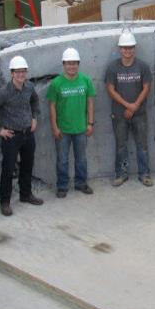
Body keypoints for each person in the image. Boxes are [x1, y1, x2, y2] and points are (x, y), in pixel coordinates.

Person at [0, 55, 44, 216]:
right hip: (11, 137)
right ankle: (5, 202)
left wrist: (34, 118)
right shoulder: (4, 92)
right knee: (8, 170)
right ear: (12, 73)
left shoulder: (29, 87)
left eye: (23, 72)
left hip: (27, 133)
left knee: (27, 165)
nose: (21, 75)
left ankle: (26, 194)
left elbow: (35, 102)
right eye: (18, 72)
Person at [105, 32, 153, 187]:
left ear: (134, 48)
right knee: (121, 146)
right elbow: (111, 90)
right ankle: (121, 174)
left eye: (130, 48)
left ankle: (144, 174)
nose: (128, 51)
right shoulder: (113, 67)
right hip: (119, 115)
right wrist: (128, 106)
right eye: (125, 48)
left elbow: (146, 88)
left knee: (142, 146)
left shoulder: (143, 66)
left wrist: (134, 107)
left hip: (139, 114)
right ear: (120, 49)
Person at [47, 47, 96, 198]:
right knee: (62, 160)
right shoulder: (56, 84)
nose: (71, 66)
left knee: (81, 159)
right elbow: (52, 106)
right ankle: (62, 186)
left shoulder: (86, 80)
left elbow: (90, 102)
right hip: (63, 130)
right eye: (68, 63)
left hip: (81, 128)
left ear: (78, 64)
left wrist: (90, 123)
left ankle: (81, 183)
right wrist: (55, 127)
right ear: (64, 64)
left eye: (74, 63)